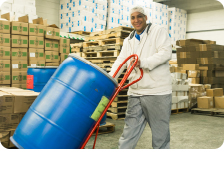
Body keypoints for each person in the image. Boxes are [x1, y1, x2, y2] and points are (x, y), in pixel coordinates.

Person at [108, 6, 172, 149]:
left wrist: (143, 62)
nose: (136, 20)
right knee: (129, 131)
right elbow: (121, 61)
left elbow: (166, 53)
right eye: (133, 17)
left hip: (157, 92)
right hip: (135, 92)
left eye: (139, 16)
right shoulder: (128, 40)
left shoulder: (157, 31)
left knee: (160, 134)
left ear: (145, 18)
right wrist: (109, 78)